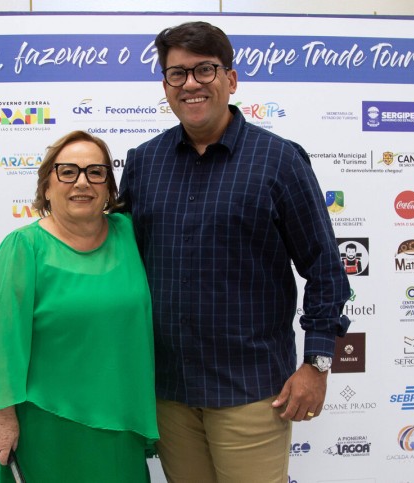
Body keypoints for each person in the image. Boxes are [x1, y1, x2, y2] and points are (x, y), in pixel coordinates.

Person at [117, 22, 351, 482]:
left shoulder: (279, 160)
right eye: (177, 73)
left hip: (251, 393)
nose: (191, 84)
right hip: (170, 393)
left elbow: (325, 268)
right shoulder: (144, 162)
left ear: (231, 79)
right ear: (165, 86)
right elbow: (121, 264)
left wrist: (317, 365)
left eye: (204, 69)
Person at [0, 130, 159, 483]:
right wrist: (2, 418)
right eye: (67, 171)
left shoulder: (129, 234)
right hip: (46, 426)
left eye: (95, 172)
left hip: (121, 423)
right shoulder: (23, 247)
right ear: (47, 186)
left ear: (109, 188)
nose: (82, 182)